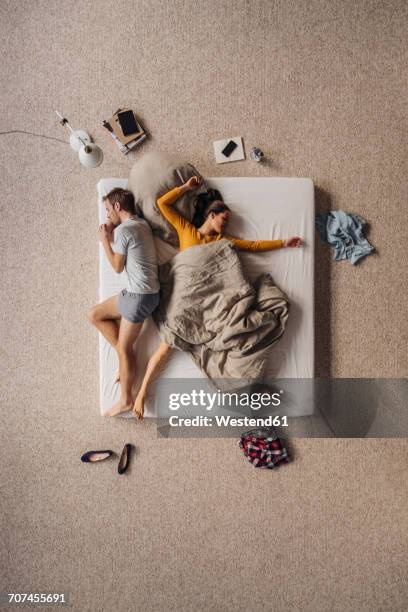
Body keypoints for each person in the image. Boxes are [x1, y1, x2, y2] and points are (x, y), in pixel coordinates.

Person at [132, 176, 302, 419]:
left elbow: (252, 246)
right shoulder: (186, 229)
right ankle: (141, 394)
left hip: (213, 305)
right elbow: (162, 204)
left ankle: (250, 390)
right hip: (184, 302)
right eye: (224, 218)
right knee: (164, 350)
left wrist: (283, 242)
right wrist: (185, 188)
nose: (226, 224)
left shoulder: (224, 243)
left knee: (240, 340)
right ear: (212, 215)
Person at [88, 188, 160, 417]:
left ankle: (126, 400)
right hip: (140, 294)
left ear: (118, 207)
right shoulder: (140, 224)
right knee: (94, 314)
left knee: (124, 348)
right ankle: (124, 359)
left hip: (138, 298)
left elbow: (118, 266)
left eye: (108, 209)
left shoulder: (124, 232)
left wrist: (104, 241)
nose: (107, 214)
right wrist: (113, 232)